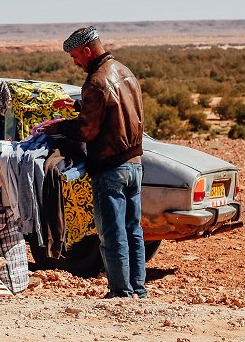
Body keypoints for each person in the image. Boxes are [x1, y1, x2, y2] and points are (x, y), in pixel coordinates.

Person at [41, 25, 147, 299]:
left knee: (112, 233)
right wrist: (76, 107)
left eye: (76, 56)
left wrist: (60, 127)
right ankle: (138, 289)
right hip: (135, 163)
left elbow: (88, 131)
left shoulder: (96, 81)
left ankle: (121, 292)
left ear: (87, 51)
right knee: (133, 230)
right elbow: (114, 108)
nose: (75, 62)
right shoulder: (126, 72)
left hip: (111, 166)